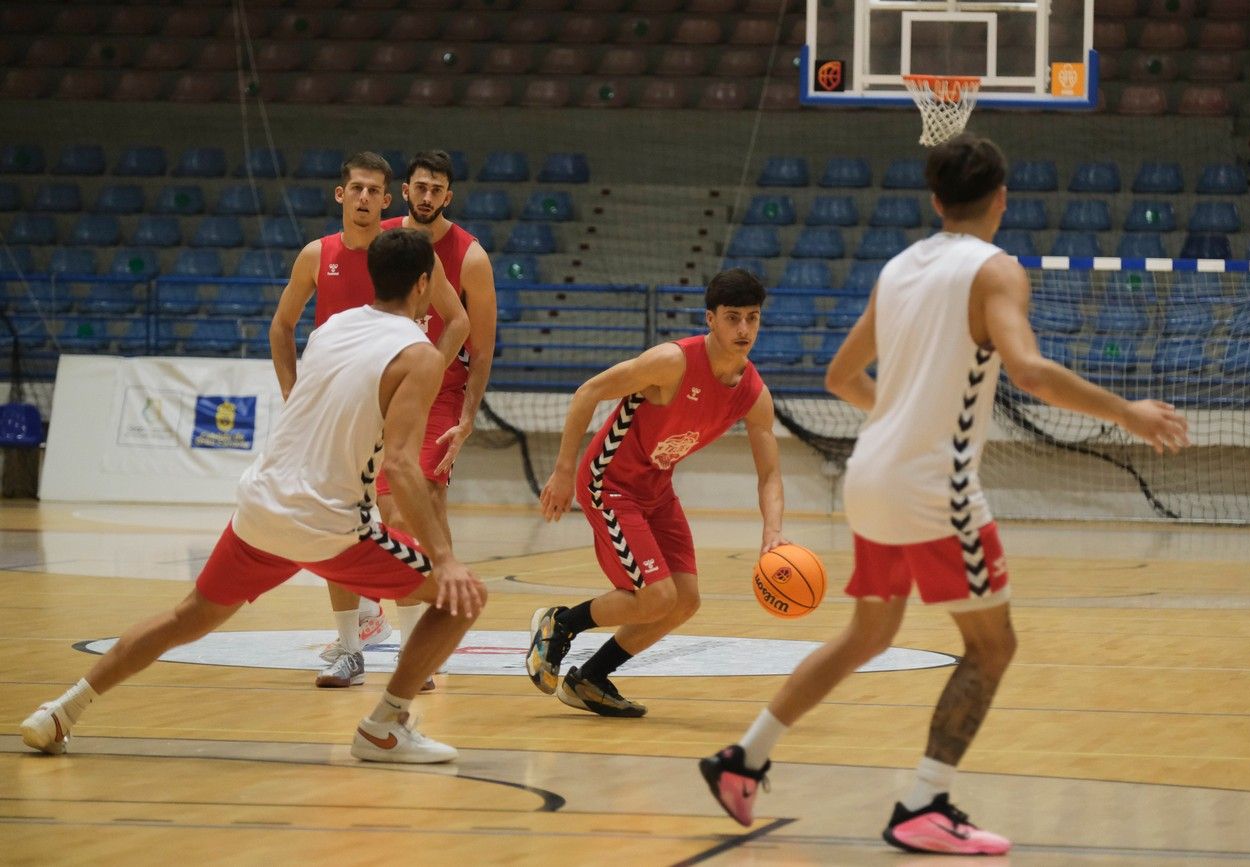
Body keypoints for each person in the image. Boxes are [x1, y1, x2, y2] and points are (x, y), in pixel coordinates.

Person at [698, 134, 1190, 855]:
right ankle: (922, 802)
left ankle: (744, 758)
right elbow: (1029, 371)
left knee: (869, 633)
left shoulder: (899, 267)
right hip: (935, 486)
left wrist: (899, 419)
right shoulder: (995, 272)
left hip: (872, 475)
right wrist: (1128, 412)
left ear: (935, 200)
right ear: (1001, 199)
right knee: (993, 647)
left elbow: (840, 375)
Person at [21, 228, 488, 764]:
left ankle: (62, 710)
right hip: (329, 526)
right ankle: (384, 726)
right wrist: (446, 559)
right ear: (425, 283)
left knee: (184, 618)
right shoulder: (420, 357)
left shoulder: (333, 327)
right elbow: (403, 466)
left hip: (261, 506)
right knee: (462, 598)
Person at [525, 268, 788, 717]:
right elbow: (587, 393)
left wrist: (773, 534)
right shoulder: (672, 362)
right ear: (710, 319)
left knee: (685, 601)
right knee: (657, 598)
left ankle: (590, 678)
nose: (744, 329)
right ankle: (560, 624)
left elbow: (770, 475)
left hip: (656, 487)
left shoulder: (752, 392)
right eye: (732, 318)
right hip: (609, 482)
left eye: (752, 318)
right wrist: (564, 470)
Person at [268, 151, 469, 687]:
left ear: (389, 199)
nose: (362, 198)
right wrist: (294, 398)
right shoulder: (318, 255)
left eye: (372, 190)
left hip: (393, 409)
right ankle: (351, 649)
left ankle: (410, 652)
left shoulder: (404, 254)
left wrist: (427, 375)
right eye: (354, 188)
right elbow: (281, 327)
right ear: (341, 194)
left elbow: (459, 319)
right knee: (336, 528)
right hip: (338, 415)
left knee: (400, 516)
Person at [320, 150, 497, 688]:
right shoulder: (383, 236)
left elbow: (480, 344)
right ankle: (369, 625)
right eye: (417, 186)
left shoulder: (469, 256)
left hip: (437, 388)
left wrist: (464, 414)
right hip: (379, 384)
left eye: (435, 189)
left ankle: (419, 640)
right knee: (362, 506)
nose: (425, 196)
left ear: (448, 196)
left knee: (409, 503)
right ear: (406, 192)